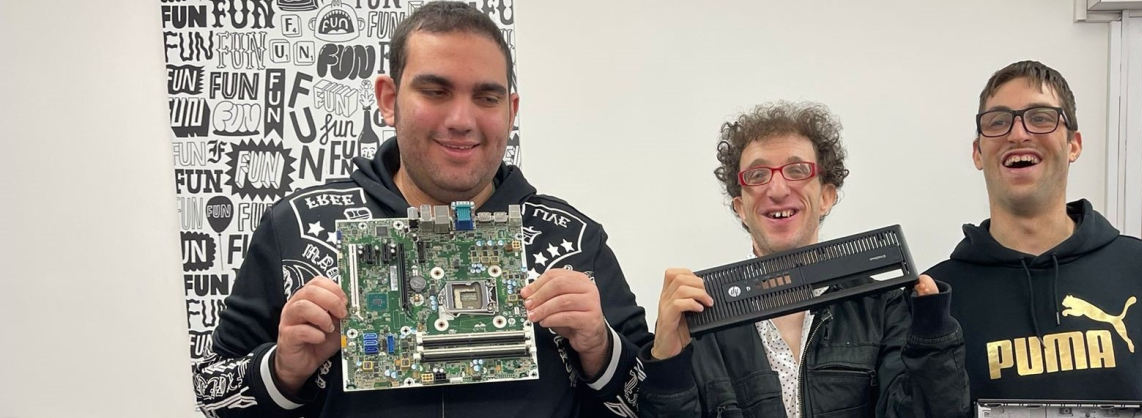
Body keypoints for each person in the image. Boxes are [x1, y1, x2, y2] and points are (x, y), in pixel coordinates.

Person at [191, 3, 650, 417]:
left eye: (487, 98)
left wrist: (601, 349)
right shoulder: (295, 227)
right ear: (389, 99)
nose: (462, 120)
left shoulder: (573, 240)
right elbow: (211, 394)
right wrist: (281, 371)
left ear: (511, 111)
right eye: (435, 91)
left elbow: (659, 401)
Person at [637, 101, 969, 418]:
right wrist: (667, 361)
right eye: (757, 175)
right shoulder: (699, 327)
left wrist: (934, 338)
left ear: (826, 196)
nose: (778, 189)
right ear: (740, 207)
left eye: (797, 170)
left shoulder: (881, 308)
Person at [925, 61, 1142, 401]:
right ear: (977, 153)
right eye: (998, 122)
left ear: (1074, 145)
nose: (1017, 134)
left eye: (1040, 117)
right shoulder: (936, 296)